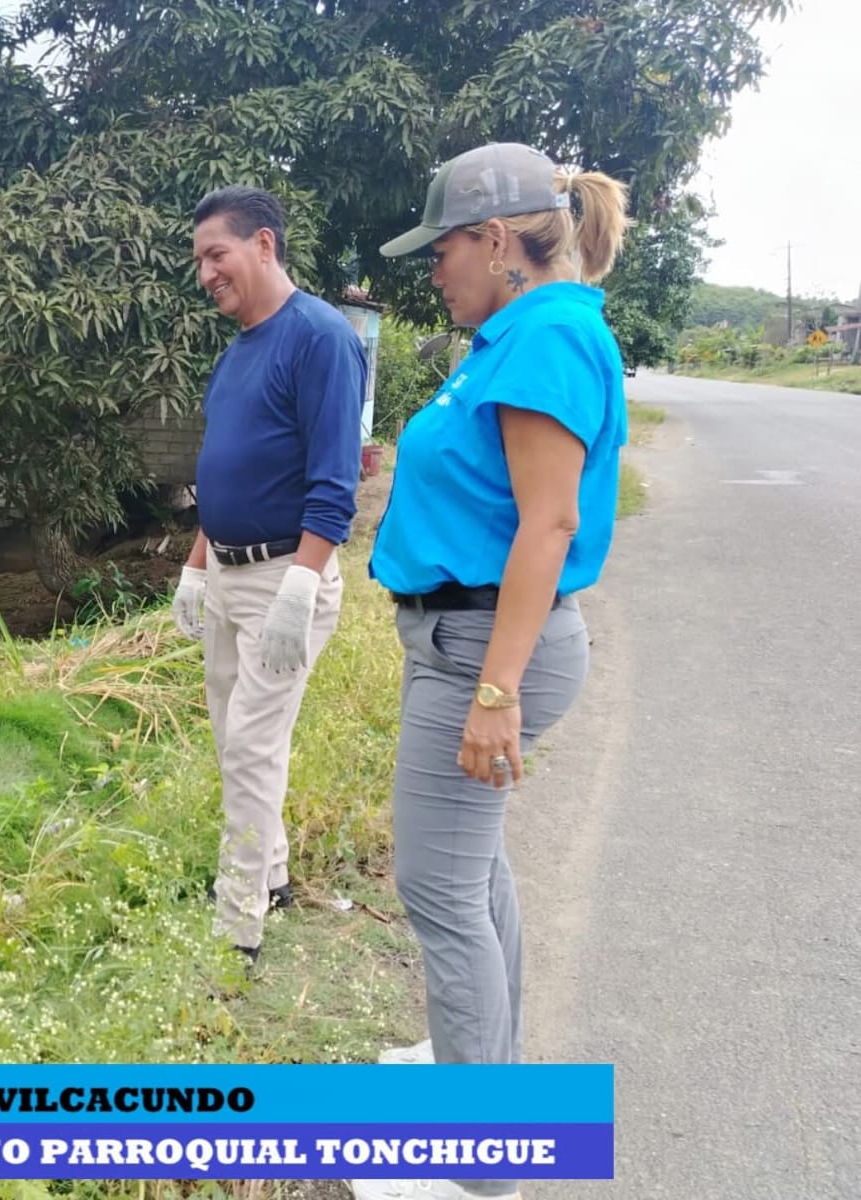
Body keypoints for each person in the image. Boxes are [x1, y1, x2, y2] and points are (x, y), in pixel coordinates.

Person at [351, 143, 631, 1200]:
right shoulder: (514, 335)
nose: (434, 273)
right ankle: (487, 1088)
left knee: (436, 886)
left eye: (443, 251)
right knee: (474, 872)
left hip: (483, 648)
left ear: (498, 240)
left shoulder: (544, 338)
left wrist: (496, 693)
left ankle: (476, 1159)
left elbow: (549, 525)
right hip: (466, 642)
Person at [173, 185, 367, 961]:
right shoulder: (238, 350)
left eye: (215, 254)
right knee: (234, 738)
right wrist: (196, 566)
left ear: (263, 244)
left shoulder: (318, 338)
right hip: (227, 573)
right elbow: (227, 471)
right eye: (198, 261)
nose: (205, 274)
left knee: (252, 747)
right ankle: (272, 875)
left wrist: (301, 586)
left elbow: (335, 479)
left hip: (284, 577)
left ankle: (237, 928)